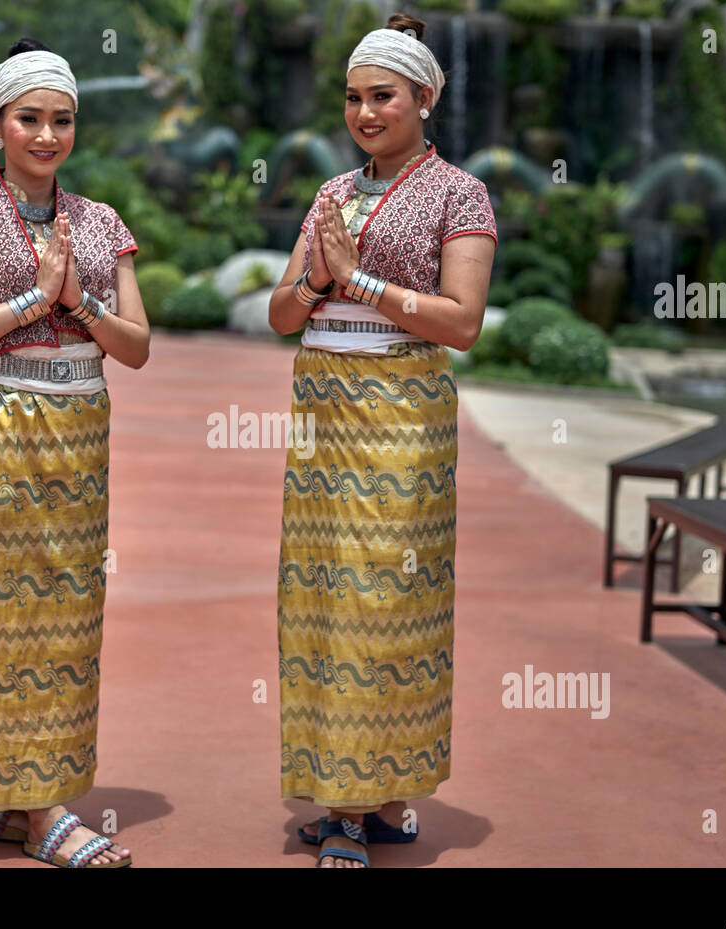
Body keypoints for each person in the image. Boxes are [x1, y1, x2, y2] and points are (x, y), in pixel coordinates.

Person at [0, 38, 149, 868]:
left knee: (70, 613)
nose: (47, 135)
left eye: (62, 120)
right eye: (29, 119)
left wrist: (76, 301)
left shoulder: (102, 222)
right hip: (1, 424)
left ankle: (1, 794)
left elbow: (139, 346)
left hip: (82, 427)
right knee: (4, 609)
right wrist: (26, 303)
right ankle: (37, 804)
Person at [268, 12, 496, 868]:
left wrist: (356, 277)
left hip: (403, 406)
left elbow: (463, 323)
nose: (365, 113)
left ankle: (371, 801)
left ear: (425, 98)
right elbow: (282, 314)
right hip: (324, 404)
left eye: (383, 97)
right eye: (355, 99)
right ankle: (355, 795)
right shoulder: (333, 194)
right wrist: (317, 278)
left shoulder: (460, 194)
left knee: (387, 599)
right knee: (322, 601)